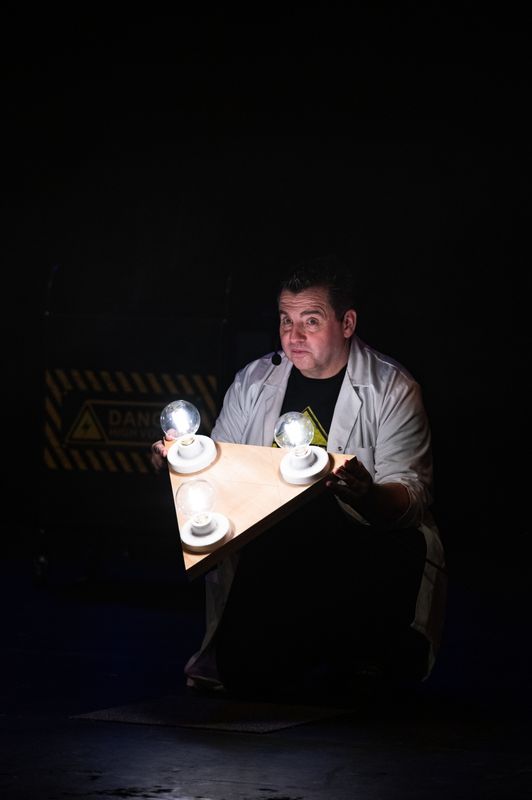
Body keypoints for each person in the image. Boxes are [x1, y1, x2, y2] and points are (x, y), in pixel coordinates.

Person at [151, 256, 446, 702]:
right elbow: (221, 475)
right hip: (274, 559)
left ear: (347, 323)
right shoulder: (254, 381)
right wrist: (181, 462)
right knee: (246, 679)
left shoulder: (392, 389)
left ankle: (366, 654)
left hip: (358, 552)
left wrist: (367, 494)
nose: (294, 335)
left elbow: (411, 497)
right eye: (286, 321)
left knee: (358, 683)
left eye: (312, 320)